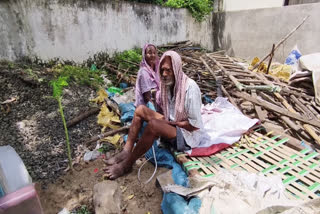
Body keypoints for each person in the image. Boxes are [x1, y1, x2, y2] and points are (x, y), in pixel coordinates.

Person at [104, 51, 204, 179]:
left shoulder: (190, 88)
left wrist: (170, 124)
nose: (164, 74)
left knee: (153, 125)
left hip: (189, 134)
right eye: (162, 70)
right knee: (140, 110)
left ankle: (127, 165)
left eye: (168, 70)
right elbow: (165, 112)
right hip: (173, 123)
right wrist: (167, 121)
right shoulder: (167, 85)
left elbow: (194, 125)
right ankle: (126, 151)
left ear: (177, 69)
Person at [134, 44, 160, 109]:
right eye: (149, 53)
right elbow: (147, 97)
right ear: (144, 55)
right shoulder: (143, 72)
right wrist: (155, 112)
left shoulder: (156, 70)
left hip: (157, 102)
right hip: (146, 106)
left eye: (154, 53)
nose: (153, 55)